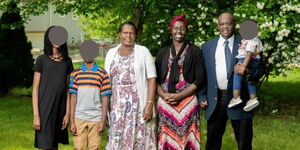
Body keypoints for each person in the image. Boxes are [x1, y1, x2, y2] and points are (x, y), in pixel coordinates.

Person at [198, 13, 264, 150]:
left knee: (244, 142)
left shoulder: (246, 42)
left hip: (241, 99)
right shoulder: (207, 46)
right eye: (222, 24)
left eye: (228, 23)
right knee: (212, 142)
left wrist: (247, 72)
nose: (225, 27)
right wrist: (202, 95)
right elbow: (203, 74)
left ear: (234, 24)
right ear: (218, 26)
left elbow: (259, 71)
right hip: (216, 100)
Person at [155, 14, 205, 150]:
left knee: (188, 137)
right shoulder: (162, 53)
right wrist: (164, 96)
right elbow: (155, 79)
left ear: (186, 30)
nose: (179, 31)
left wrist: (180, 96)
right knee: (166, 137)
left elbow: (200, 79)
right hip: (165, 100)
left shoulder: (195, 52)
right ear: (171, 30)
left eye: (182, 28)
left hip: (188, 100)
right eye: (176, 28)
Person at [104, 22, 157, 150]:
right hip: (116, 107)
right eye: (125, 32)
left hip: (139, 106)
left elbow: (152, 79)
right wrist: (104, 110)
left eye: (132, 33)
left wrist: (149, 104)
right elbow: (105, 82)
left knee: (139, 140)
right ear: (120, 34)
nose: (128, 35)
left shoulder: (143, 51)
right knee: (117, 141)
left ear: (135, 35)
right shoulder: (111, 53)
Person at [32, 26, 73, 149]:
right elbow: (35, 89)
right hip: (45, 108)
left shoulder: (67, 61)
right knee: (46, 145)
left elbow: (68, 89)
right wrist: (36, 115)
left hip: (60, 108)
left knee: (54, 145)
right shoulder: (41, 60)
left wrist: (67, 114)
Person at [69, 40, 112, 149]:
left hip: (96, 118)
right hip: (79, 117)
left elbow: (105, 98)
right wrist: (72, 121)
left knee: (94, 147)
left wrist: (103, 120)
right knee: (79, 147)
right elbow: (73, 97)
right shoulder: (75, 74)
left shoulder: (102, 74)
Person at [228, 33, 263, 111]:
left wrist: (243, 65)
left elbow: (249, 52)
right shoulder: (256, 39)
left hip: (245, 59)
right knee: (250, 79)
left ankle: (236, 97)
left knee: (237, 75)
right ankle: (253, 99)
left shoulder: (251, 39)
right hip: (255, 60)